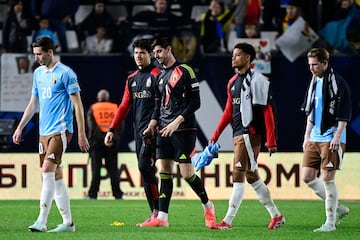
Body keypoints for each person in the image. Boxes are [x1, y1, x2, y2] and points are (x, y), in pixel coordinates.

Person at [12, 37, 89, 233]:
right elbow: (33, 104)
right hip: (43, 132)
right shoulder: (38, 73)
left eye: (39, 54)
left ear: (50, 52)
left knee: (46, 172)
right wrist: (20, 127)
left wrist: (82, 134)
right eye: (35, 54)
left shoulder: (66, 74)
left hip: (61, 130)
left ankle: (41, 221)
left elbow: (78, 105)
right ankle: (68, 223)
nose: (36, 57)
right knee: (56, 177)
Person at [140, 38, 217, 229]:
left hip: (183, 130)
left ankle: (208, 206)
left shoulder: (185, 71)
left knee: (187, 173)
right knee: (165, 172)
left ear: (168, 49)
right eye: (154, 53)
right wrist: (151, 125)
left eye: (159, 51)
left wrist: (177, 121)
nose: (156, 56)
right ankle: (163, 218)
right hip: (163, 130)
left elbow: (196, 102)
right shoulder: (158, 77)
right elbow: (158, 106)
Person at [209, 42, 285, 230]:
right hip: (238, 134)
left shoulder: (258, 80)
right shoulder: (232, 82)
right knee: (252, 177)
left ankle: (227, 221)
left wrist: (271, 140)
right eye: (233, 55)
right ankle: (276, 215)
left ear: (248, 58)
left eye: (237, 55)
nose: (233, 58)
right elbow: (228, 111)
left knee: (237, 174)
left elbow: (268, 112)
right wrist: (215, 135)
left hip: (250, 134)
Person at [104, 39, 161, 225]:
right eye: (136, 53)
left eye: (142, 53)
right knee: (145, 169)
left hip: (156, 130)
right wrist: (111, 129)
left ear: (150, 55)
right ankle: (155, 213)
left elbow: (162, 104)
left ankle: (158, 211)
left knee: (146, 167)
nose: (138, 56)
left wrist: (155, 124)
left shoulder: (157, 75)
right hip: (139, 132)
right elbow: (123, 106)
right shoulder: (132, 79)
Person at [301, 48, 351, 232]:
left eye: (315, 64)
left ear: (325, 63)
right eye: (309, 65)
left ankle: (330, 223)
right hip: (314, 136)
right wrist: (306, 136)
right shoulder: (314, 81)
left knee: (327, 178)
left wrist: (337, 137)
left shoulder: (338, 83)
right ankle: (338, 209)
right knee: (307, 177)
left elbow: (345, 112)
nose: (312, 68)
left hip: (331, 136)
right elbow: (310, 111)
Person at [86, 89, 123, 200]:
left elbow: (91, 127)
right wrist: (115, 137)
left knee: (96, 169)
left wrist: (92, 141)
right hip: (112, 141)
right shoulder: (115, 107)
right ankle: (117, 194)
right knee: (113, 170)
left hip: (97, 143)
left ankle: (93, 194)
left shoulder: (93, 108)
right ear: (107, 98)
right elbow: (120, 125)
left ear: (98, 98)